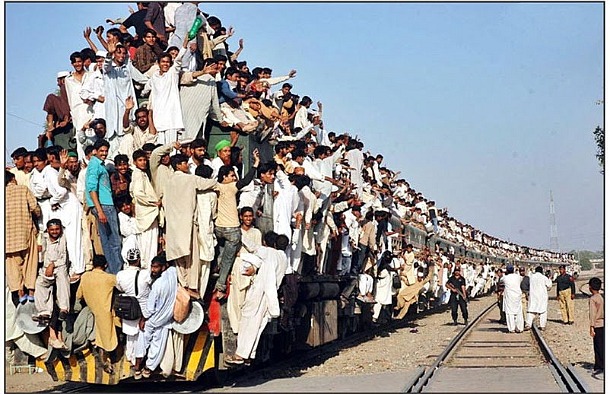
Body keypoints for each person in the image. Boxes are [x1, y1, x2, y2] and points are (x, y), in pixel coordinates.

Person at [85, 139, 125, 274]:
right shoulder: (94, 165)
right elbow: (92, 189)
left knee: (107, 240)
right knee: (114, 240)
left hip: (103, 205)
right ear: (95, 151)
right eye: (101, 151)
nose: (104, 153)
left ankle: (112, 270)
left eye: (106, 151)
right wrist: (100, 211)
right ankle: (117, 271)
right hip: (104, 205)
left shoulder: (100, 165)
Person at [76, 254, 118, 373]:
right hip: (105, 315)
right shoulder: (109, 278)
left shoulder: (85, 276)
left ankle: (104, 360)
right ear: (105, 265)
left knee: (101, 341)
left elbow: (79, 295)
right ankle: (106, 362)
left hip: (91, 313)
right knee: (107, 341)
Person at [139, 254, 177, 379]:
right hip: (166, 319)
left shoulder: (157, 285)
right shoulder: (173, 273)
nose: (153, 270)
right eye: (152, 267)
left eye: (156, 267)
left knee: (143, 341)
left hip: (154, 319)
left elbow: (150, 309)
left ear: (163, 267)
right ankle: (148, 368)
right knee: (157, 345)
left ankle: (139, 366)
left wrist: (144, 319)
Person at [5, 170, 41, 306]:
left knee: (12, 267)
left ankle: (20, 292)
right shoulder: (23, 189)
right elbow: (34, 208)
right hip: (25, 232)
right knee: (30, 263)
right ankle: (31, 292)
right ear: (13, 179)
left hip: (7, 239)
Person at [115, 248, 151, 369]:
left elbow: (119, 288)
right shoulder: (145, 274)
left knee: (130, 335)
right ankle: (139, 359)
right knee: (141, 334)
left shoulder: (120, 274)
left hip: (127, 306)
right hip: (143, 307)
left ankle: (129, 357)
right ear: (139, 260)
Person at [33, 219, 70, 322]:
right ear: (48, 230)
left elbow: (63, 258)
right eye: (52, 230)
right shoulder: (43, 238)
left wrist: (52, 265)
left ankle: (64, 308)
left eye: (57, 229)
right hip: (45, 268)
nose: (55, 232)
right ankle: (44, 312)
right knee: (39, 284)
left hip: (59, 266)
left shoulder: (63, 238)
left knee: (63, 277)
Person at [524, 266, 552, 331]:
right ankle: (542, 325)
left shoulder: (531, 277)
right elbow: (549, 286)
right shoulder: (544, 278)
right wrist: (549, 278)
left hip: (533, 296)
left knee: (531, 311)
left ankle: (528, 324)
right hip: (542, 297)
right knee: (543, 312)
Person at [588, 277, 604, 376]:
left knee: (598, 347)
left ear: (590, 287)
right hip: (603, 324)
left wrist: (591, 327)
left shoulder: (593, 299)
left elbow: (592, 314)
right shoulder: (601, 297)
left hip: (597, 325)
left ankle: (600, 366)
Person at [501, 265, 524, 333]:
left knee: (509, 313)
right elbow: (521, 278)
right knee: (518, 312)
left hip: (509, 296)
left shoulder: (505, 278)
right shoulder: (518, 277)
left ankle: (511, 328)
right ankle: (520, 327)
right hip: (517, 296)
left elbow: (501, 280)